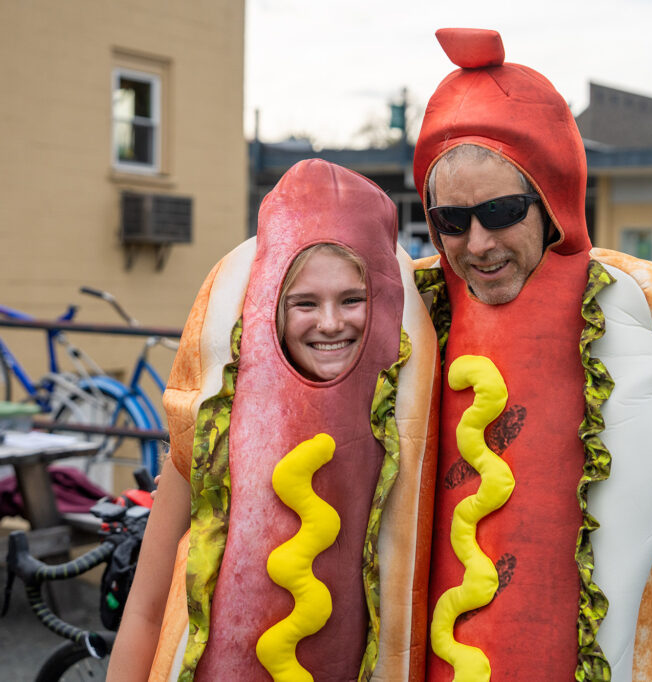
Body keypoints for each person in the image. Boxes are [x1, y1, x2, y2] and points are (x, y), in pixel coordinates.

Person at [412, 29, 652, 681]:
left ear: (551, 204)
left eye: (502, 211)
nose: (477, 242)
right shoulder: (408, 328)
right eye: (451, 220)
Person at [108, 159, 438, 681]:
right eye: (304, 303)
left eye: (353, 300)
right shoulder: (213, 429)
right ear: (268, 310)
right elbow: (146, 609)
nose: (331, 323)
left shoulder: (412, 422)